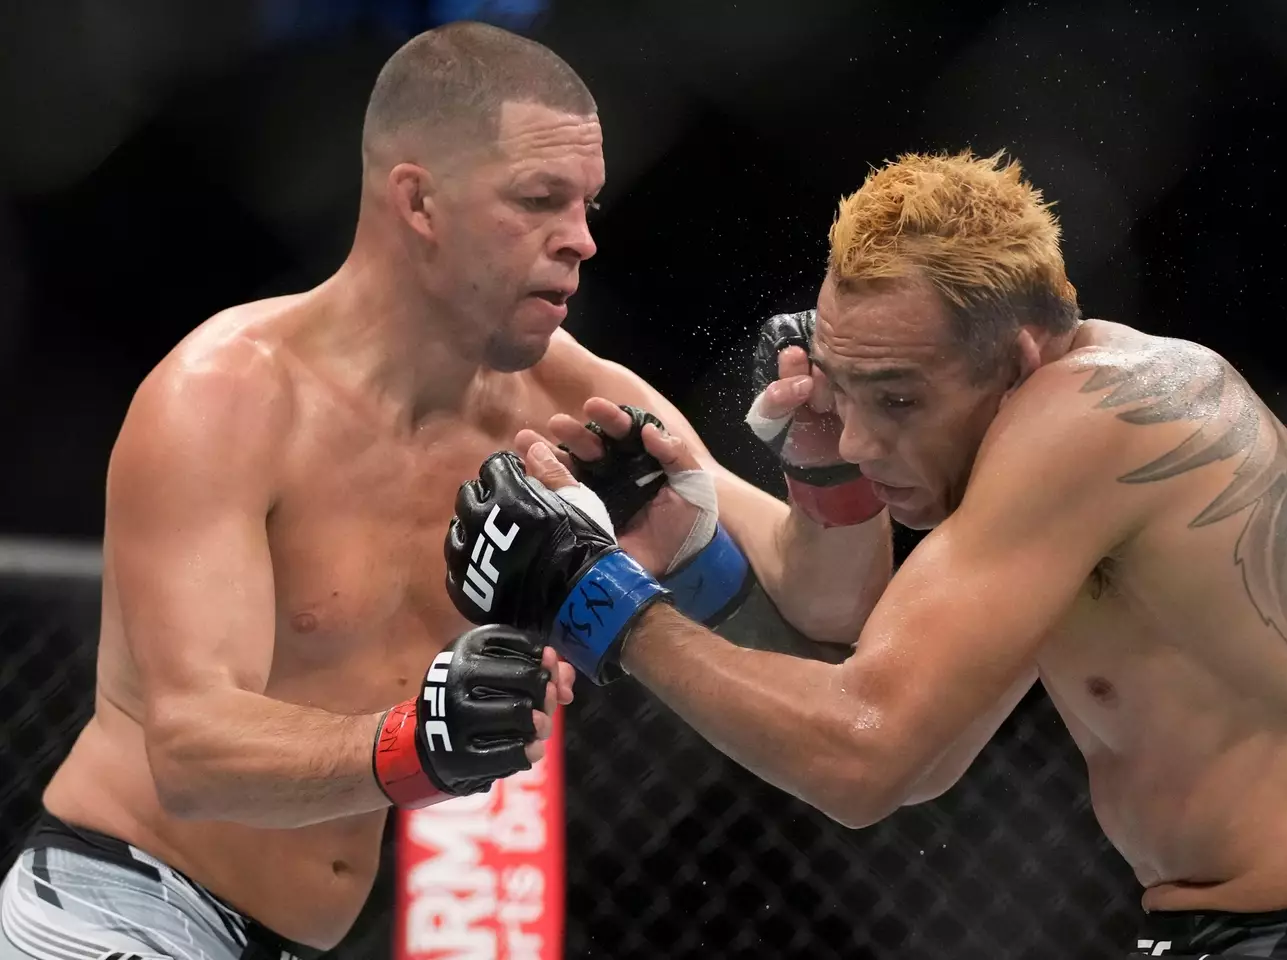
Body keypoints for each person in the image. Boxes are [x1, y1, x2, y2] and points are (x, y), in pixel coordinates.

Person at [0, 22, 892, 960]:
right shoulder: (227, 398)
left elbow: (828, 603)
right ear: (419, 201)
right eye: (539, 200)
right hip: (121, 906)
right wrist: (421, 742)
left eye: (588, 203)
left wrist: (830, 466)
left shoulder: (572, 396)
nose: (582, 240)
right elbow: (190, 755)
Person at [451, 150, 1287, 959]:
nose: (867, 440)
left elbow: (864, 750)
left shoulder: (1099, 412)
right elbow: (916, 747)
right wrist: (715, 525)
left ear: (1014, 361)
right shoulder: (1070, 465)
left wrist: (600, 597)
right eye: (844, 394)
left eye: (902, 398)